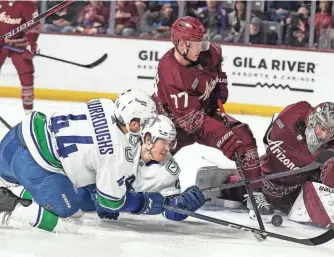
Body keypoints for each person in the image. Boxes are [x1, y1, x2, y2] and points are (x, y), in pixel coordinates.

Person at [0, 89, 171, 233]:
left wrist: (96, 188)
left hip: (15, 138)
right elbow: (111, 202)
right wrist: (143, 202)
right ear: (133, 124)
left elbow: (88, 153)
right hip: (32, 165)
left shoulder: (104, 103)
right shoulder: (116, 152)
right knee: (71, 220)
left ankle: (12, 190)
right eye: (146, 123)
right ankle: (10, 207)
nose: (146, 129)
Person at [152, 16, 269, 215]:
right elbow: (191, 122)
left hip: (203, 115)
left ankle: (255, 193)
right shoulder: (171, 71)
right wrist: (223, 137)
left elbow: (217, 65)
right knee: (152, 163)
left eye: (201, 41)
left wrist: (221, 85)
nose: (201, 47)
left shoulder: (208, 52)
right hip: (172, 125)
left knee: (243, 136)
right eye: (195, 43)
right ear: (181, 44)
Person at [248, 101, 334, 236]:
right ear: (313, 120)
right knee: (234, 185)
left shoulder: (331, 149)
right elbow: (268, 137)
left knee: (327, 180)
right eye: (323, 129)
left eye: (330, 132)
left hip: (291, 197)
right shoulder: (296, 112)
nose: (325, 136)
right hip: (263, 184)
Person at [78, 115, 206, 221]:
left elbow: (169, 209)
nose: (168, 149)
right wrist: (99, 192)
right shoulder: (120, 144)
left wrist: (183, 206)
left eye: (171, 143)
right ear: (148, 139)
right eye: (164, 142)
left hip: (111, 202)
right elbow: (90, 164)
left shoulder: (169, 171)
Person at [0, 1, 40, 114]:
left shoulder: (27, 5)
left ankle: (28, 112)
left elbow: (34, 27)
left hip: (19, 45)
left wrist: (32, 44)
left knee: (26, 75)